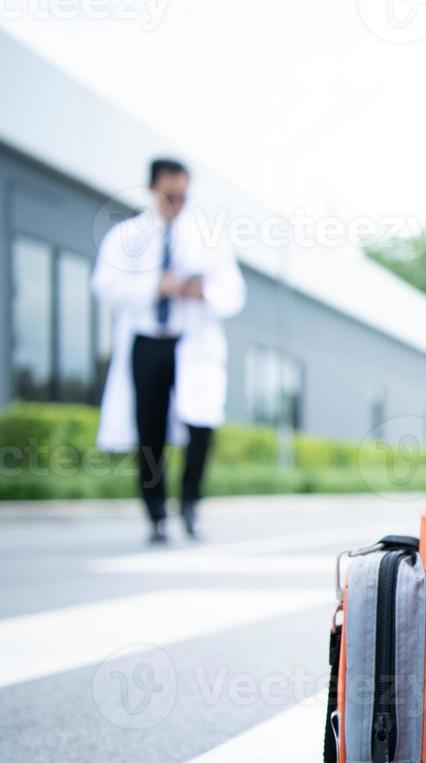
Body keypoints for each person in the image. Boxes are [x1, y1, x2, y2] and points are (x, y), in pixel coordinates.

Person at [95, 159, 246, 544]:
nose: (176, 203)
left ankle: (191, 503)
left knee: (201, 425)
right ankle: (156, 512)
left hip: (192, 340)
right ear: (152, 189)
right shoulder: (127, 237)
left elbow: (233, 294)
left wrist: (202, 292)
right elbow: (105, 286)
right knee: (150, 430)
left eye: (183, 196)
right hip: (147, 341)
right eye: (169, 195)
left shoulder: (207, 237)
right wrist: (154, 286)